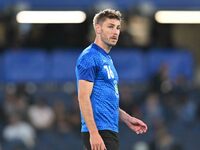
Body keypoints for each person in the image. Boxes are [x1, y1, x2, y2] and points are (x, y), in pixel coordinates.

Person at [75, 9, 148, 150]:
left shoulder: (107, 59)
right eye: (110, 26)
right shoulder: (89, 57)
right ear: (98, 28)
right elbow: (83, 97)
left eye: (118, 27)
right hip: (99, 131)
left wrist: (126, 118)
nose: (115, 32)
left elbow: (105, 99)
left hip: (109, 130)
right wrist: (94, 133)